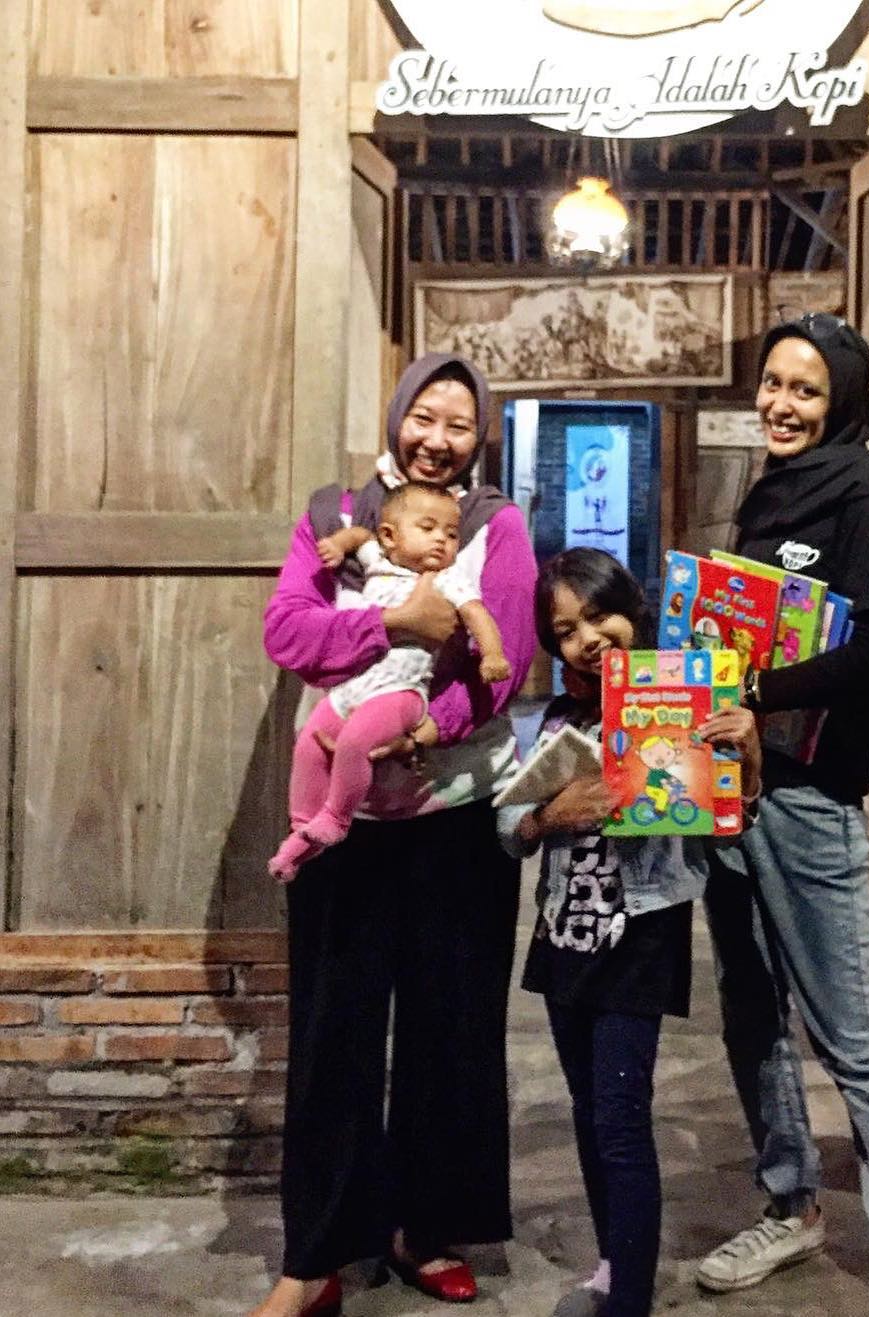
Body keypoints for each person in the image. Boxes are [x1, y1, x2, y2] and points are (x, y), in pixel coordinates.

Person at [250, 353, 536, 1317]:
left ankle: (426, 1226)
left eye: (459, 424)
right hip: (343, 819)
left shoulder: (494, 525)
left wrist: (423, 731)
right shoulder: (335, 513)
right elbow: (288, 632)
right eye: (425, 416)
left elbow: (505, 660)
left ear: (479, 435)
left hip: (452, 812)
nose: (437, 440)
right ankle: (316, 1254)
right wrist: (392, 627)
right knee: (332, 1030)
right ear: (397, 415)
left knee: (449, 1027)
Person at [696, 314, 869, 1317]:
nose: (781, 404)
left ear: (842, 400)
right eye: (772, 383)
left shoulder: (867, 496)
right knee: (751, 1012)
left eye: (804, 390)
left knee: (855, 1040)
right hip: (732, 790)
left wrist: (754, 691)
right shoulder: (769, 492)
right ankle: (791, 1204)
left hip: (809, 801)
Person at [498, 548, 762, 1317]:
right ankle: (613, 1267)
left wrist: (745, 761)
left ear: (633, 609)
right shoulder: (553, 720)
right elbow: (509, 828)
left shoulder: (679, 701)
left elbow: (727, 824)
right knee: (587, 1110)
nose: (587, 638)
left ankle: (630, 1300)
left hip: (639, 933)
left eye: (598, 616)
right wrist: (546, 816)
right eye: (565, 630)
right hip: (562, 932)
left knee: (619, 1118)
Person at [268, 483, 510, 880]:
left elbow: (477, 614)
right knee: (311, 740)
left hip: (401, 693)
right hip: (353, 690)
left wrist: (493, 654)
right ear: (390, 536)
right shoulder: (378, 562)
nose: (441, 540)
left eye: (451, 534)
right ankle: (302, 827)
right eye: (428, 528)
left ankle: (336, 818)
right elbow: (360, 537)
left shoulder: (446, 579)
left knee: (354, 743)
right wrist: (339, 544)